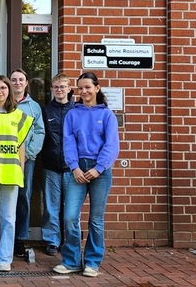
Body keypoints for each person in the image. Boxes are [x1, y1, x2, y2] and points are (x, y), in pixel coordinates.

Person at [53, 72, 119, 278]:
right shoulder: (73, 113)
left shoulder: (107, 115)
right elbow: (68, 142)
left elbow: (112, 145)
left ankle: (92, 262)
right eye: (80, 88)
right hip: (77, 170)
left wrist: (98, 168)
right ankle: (71, 261)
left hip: (100, 171)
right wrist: (74, 167)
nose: (83, 91)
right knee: (70, 217)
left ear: (97, 88)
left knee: (96, 220)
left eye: (87, 87)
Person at [0, 75, 33, 272]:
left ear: (9, 90)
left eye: (3, 88)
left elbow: (21, 147)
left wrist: (20, 169)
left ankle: (5, 257)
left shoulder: (19, 116)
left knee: (9, 218)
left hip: (10, 172)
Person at [9, 68, 45, 257]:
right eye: (13, 80)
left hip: (26, 160)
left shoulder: (34, 107)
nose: (17, 83)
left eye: (20, 80)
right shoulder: (2, 104)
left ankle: (20, 238)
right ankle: (4, 236)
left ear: (26, 83)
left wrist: (28, 153)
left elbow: (39, 132)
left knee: (23, 197)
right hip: (3, 159)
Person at [40, 73, 74, 256]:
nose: (59, 90)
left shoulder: (77, 110)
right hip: (51, 166)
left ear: (69, 89)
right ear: (52, 89)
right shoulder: (46, 111)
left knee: (70, 206)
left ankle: (70, 239)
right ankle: (52, 241)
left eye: (62, 87)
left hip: (72, 167)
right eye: (56, 87)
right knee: (51, 205)